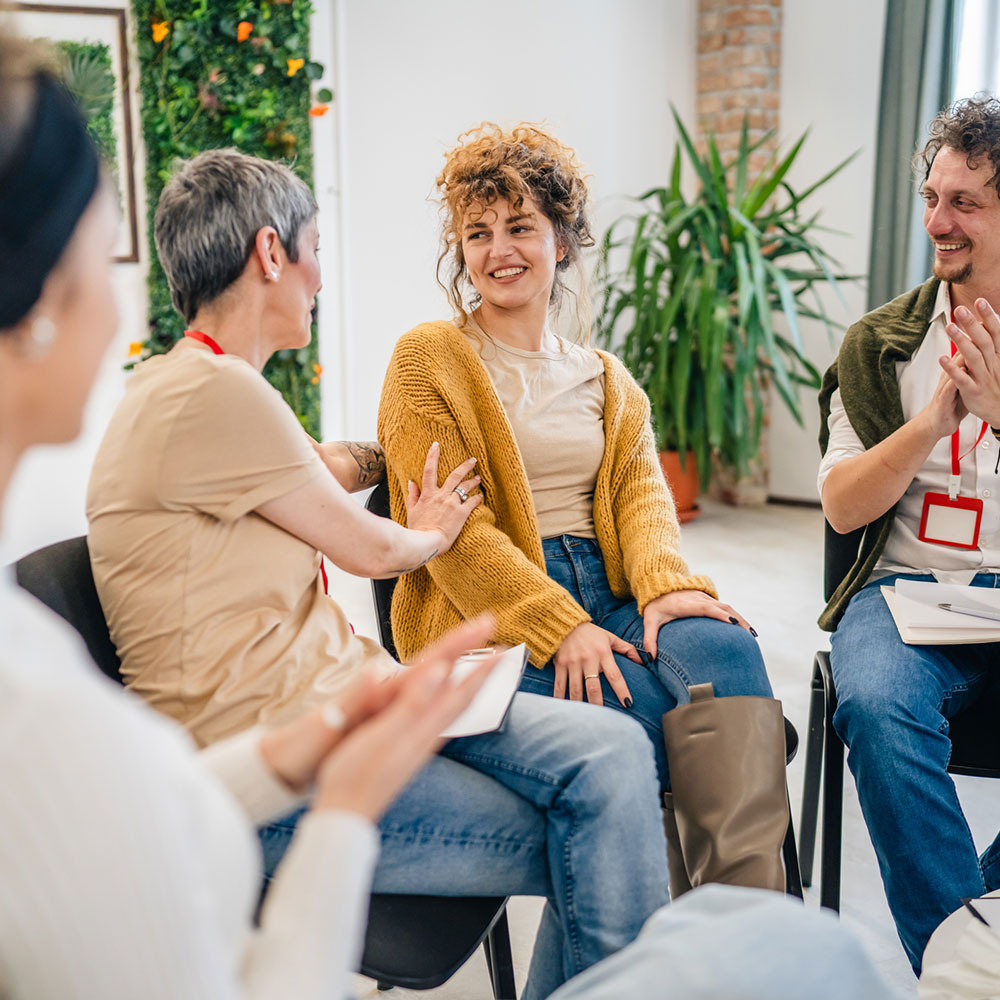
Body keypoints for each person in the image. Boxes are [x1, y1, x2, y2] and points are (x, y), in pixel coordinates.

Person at [85, 145, 671, 999]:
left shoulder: (202, 390)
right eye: (315, 249)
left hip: (354, 703)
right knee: (605, 810)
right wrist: (428, 529)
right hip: (272, 771)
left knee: (614, 755)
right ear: (272, 254)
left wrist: (388, 457)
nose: (321, 279)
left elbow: (317, 470)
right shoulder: (214, 395)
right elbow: (375, 550)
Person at [0, 32, 506, 1000]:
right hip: (265, 755)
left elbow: (297, 475)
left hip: (282, 732)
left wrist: (291, 754)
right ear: (38, 306)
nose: (120, 311)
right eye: (94, 259)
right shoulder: (37, 722)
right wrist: (343, 813)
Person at [377, 122, 787, 893]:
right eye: (478, 232)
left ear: (561, 239)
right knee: (663, 733)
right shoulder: (427, 357)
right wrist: (559, 626)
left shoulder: (607, 377)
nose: (500, 249)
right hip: (491, 614)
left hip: (615, 590)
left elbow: (641, 497)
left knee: (728, 656)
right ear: (460, 252)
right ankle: (697, 927)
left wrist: (666, 583)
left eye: (521, 226)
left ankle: (750, 937)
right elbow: (458, 537)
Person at [819, 95, 1000, 974]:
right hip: (904, 594)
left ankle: (972, 955)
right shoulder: (880, 343)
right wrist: (931, 422)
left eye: (965, 202)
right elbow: (844, 506)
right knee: (879, 706)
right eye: (932, 197)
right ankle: (965, 970)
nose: (938, 221)